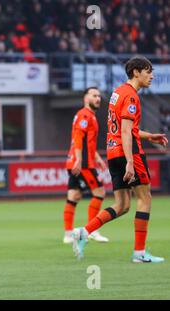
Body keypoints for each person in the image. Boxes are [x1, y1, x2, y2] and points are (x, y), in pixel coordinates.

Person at [72, 56, 168, 262]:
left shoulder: (117, 93)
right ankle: (139, 253)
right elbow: (125, 131)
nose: (152, 75)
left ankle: (83, 231)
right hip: (128, 153)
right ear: (136, 72)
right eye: (148, 71)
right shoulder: (131, 96)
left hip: (113, 153)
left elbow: (125, 128)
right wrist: (131, 162)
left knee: (122, 205)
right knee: (145, 198)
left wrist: (149, 135)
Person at [62, 87, 109, 244]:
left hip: (76, 161)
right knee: (100, 192)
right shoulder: (84, 115)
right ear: (85, 98)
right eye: (94, 95)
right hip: (82, 164)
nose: (98, 98)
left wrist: (98, 158)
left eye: (99, 96)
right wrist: (79, 160)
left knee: (74, 196)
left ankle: (68, 234)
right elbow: (78, 137)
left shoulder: (89, 116)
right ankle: (92, 230)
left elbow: (88, 142)